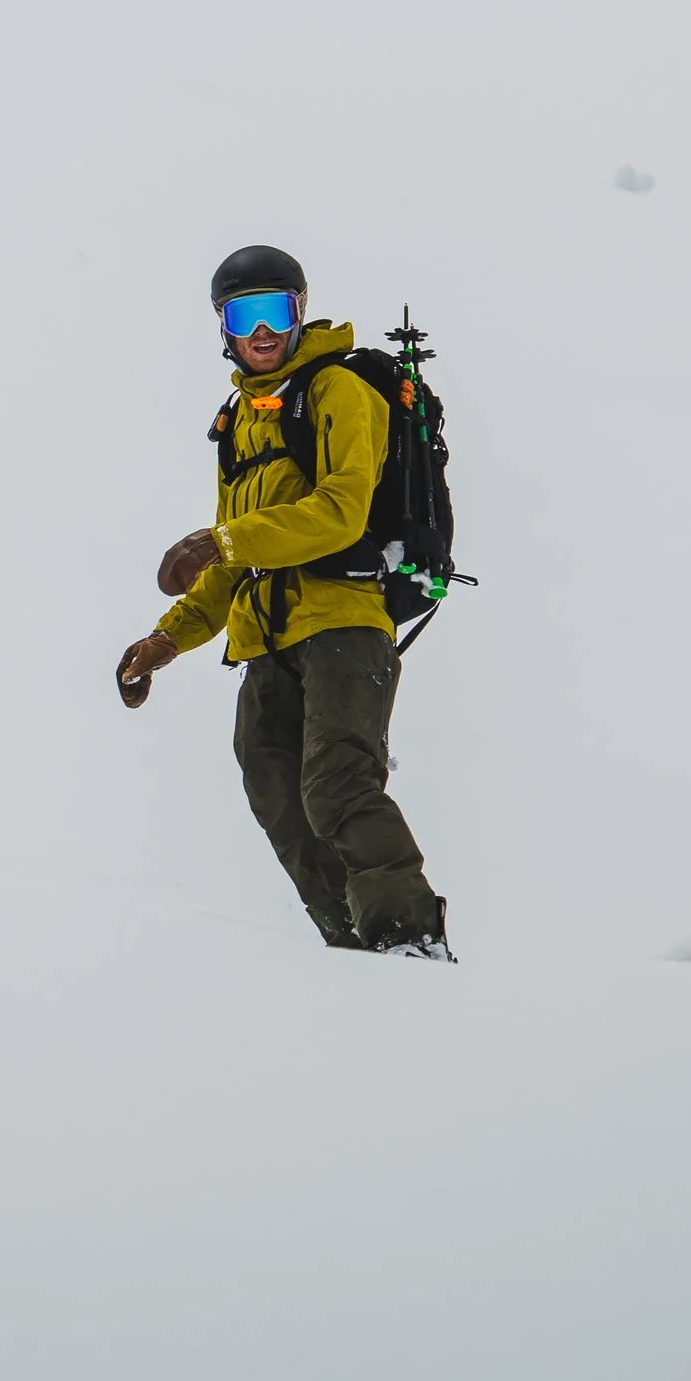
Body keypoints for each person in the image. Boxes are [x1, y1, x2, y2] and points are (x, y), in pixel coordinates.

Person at [115, 245, 451, 958]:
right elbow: (238, 559)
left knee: (337, 781)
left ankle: (409, 937)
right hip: (268, 640)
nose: (260, 329)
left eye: (274, 310)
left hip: (342, 623)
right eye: (244, 314)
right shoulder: (239, 420)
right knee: (275, 789)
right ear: (224, 326)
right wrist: (167, 639)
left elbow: (341, 510)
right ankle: (354, 943)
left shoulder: (336, 390)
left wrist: (222, 540)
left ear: (300, 310)